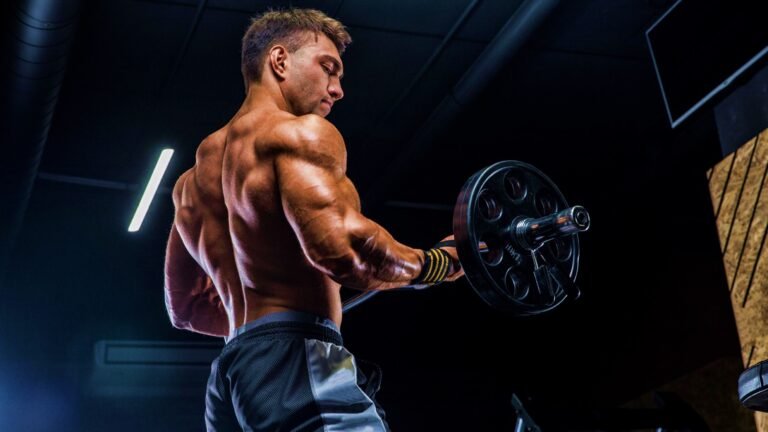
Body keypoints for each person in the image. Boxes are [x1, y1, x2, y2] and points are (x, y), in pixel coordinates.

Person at [163, 8, 464, 431]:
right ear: (280, 61)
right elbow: (344, 252)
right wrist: (438, 262)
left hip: (232, 379)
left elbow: (187, 310)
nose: (338, 89)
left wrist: (272, 325)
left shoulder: (189, 184)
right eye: (328, 68)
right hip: (297, 364)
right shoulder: (298, 134)